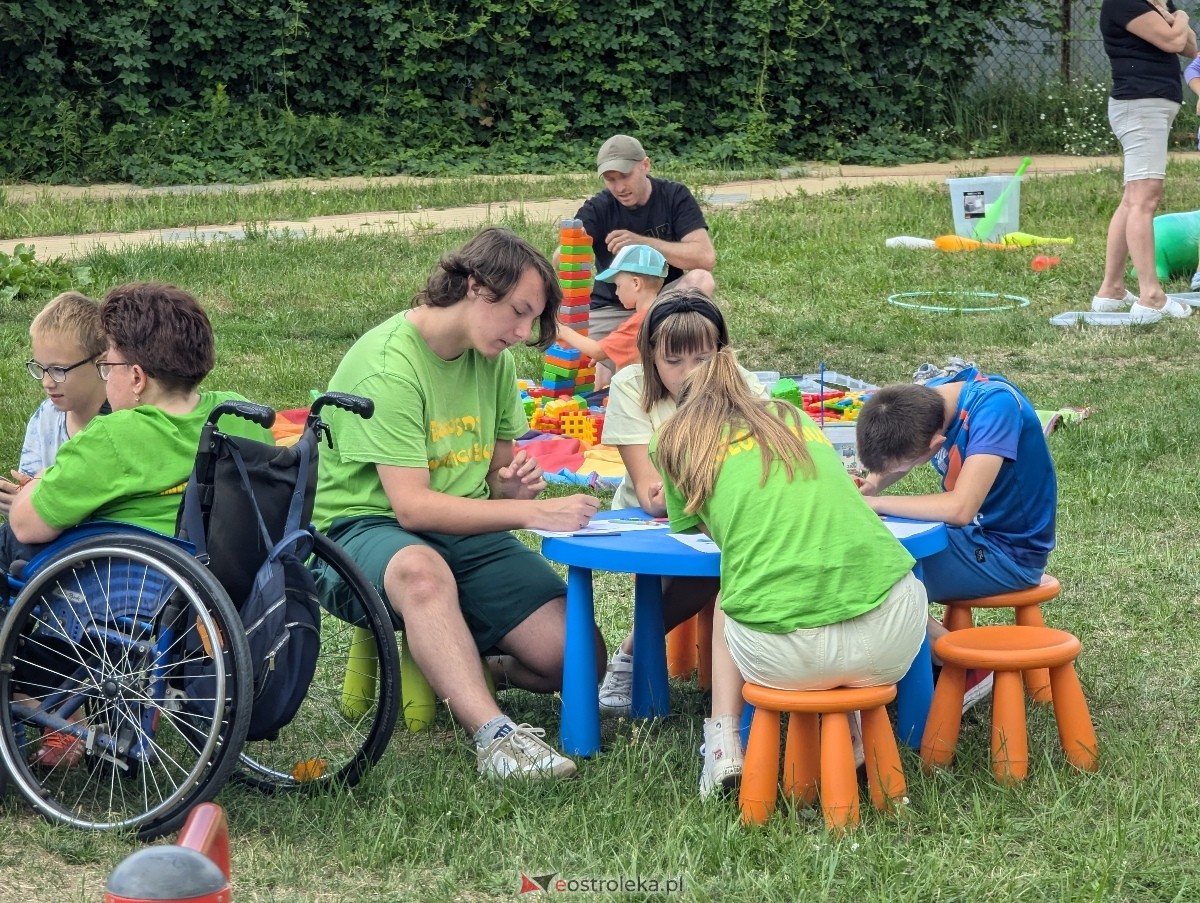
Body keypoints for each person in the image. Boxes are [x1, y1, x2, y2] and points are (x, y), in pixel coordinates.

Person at [312, 227, 603, 781]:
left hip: (463, 534)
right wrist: (531, 512)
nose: (522, 333)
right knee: (423, 572)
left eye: (532, 320)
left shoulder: (494, 362)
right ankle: (495, 737)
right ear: (474, 285)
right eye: (518, 312)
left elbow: (496, 478)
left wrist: (511, 486)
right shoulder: (389, 364)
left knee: (580, 659)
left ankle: (471, 665)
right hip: (358, 530)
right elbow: (413, 510)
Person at [3, 282, 274, 766]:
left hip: (121, 598)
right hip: (216, 586)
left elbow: (26, 523)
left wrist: (42, 484)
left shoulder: (114, 437)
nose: (105, 379)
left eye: (106, 366)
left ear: (135, 377)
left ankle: (26, 698)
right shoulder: (237, 416)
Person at [651, 350, 927, 797]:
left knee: (732, 595)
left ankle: (723, 744)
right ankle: (856, 736)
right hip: (892, 640)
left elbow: (724, 537)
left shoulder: (672, 439)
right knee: (837, 582)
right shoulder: (792, 417)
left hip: (785, 657)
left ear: (685, 407)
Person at [596, 291, 766, 717]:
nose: (689, 374)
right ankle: (632, 654)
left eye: (702, 359)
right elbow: (653, 496)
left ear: (722, 356)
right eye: (673, 361)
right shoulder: (630, 385)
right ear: (651, 356)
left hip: (722, 517)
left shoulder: (743, 384)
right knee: (712, 572)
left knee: (741, 558)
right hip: (653, 527)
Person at [854, 366, 1057, 698]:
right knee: (855, 565)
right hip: (972, 539)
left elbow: (961, 508)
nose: (896, 474)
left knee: (863, 575)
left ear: (936, 445)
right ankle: (941, 655)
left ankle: (960, 665)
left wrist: (878, 504)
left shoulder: (995, 407)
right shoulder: (928, 400)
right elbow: (886, 473)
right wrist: (870, 486)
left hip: (1007, 553)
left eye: (904, 467)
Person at [1093, 0, 1197, 320]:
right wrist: (1179, 16)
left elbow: (1192, 48)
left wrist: (1169, 13)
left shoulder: (1159, 5)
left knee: (1132, 199)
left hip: (1151, 105)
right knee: (1144, 200)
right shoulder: (1125, 3)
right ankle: (1151, 295)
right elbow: (1174, 40)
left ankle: (1111, 290)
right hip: (1140, 105)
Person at [571, 135, 716, 346]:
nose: (619, 187)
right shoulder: (597, 208)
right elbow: (562, 258)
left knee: (701, 280)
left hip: (662, 305)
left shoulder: (674, 196)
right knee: (586, 367)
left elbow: (705, 258)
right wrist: (573, 244)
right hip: (611, 308)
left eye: (625, 176)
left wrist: (644, 243)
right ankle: (644, 348)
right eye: (610, 179)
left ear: (645, 165)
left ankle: (671, 344)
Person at [0, 292, 110, 519]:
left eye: (59, 370)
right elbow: (29, 484)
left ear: (101, 362)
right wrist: (18, 499)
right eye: (40, 368)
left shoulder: (122, 420)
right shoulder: (44, 418)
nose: (47, 382)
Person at [554, 243, 667, 376]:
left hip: (634, 393)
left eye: (618, 285)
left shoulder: (639, 322)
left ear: (636, 284)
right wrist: (608, 351)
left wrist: (562, 330)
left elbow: (596, 351)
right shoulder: (663, 312)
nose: (617, 292)